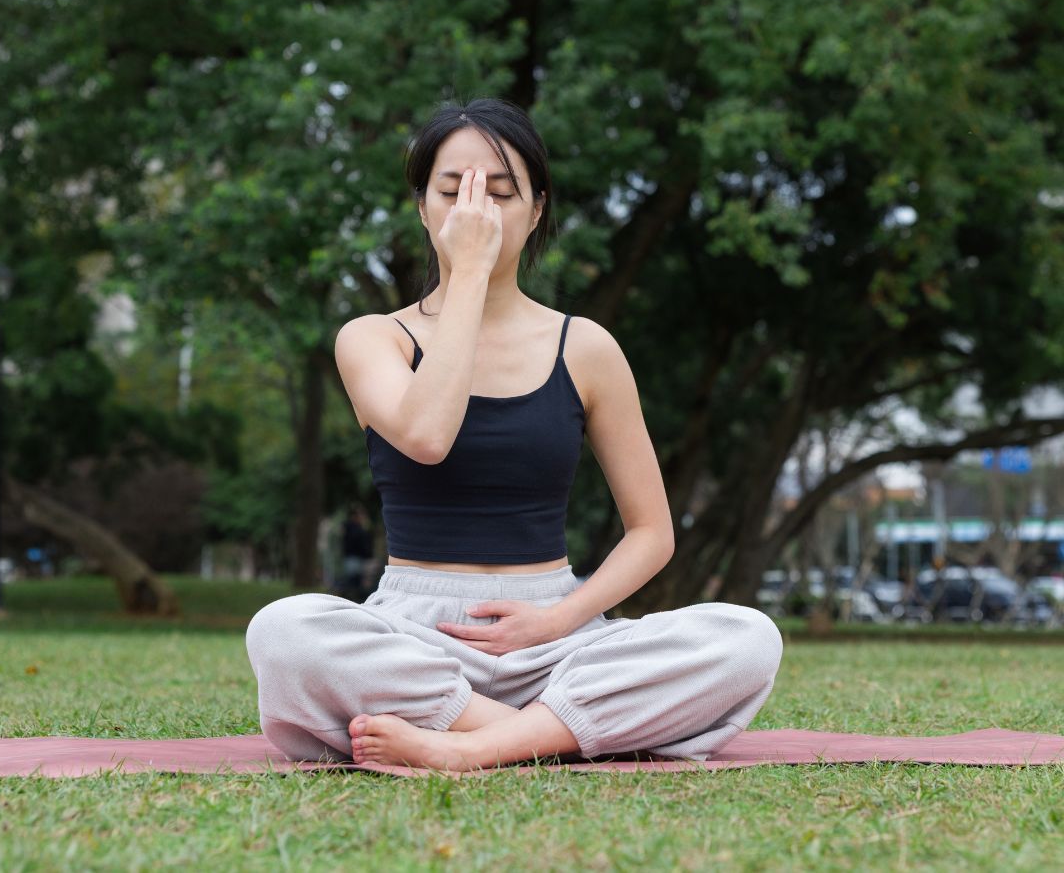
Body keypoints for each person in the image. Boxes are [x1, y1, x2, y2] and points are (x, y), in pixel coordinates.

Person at [246, 97, 782, 771]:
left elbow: (652, 533)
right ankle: (543, 733)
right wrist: (468, 273)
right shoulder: (373, 338)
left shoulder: (585, 347)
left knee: (746, 638)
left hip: (557, 639)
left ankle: (476, 746)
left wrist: (558, 620)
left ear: (536, 211)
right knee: (285, 631)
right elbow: (427, 436)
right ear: (422, 208)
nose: (476, 212)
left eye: (500, 193)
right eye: (453, 191)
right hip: (417, 636)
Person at [338, 503, 375, 601]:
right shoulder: (352, 528)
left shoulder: (358, 528)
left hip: (359, 558)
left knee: (358, 583)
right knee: (353, 582)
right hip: (353, 558)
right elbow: (358, 542)